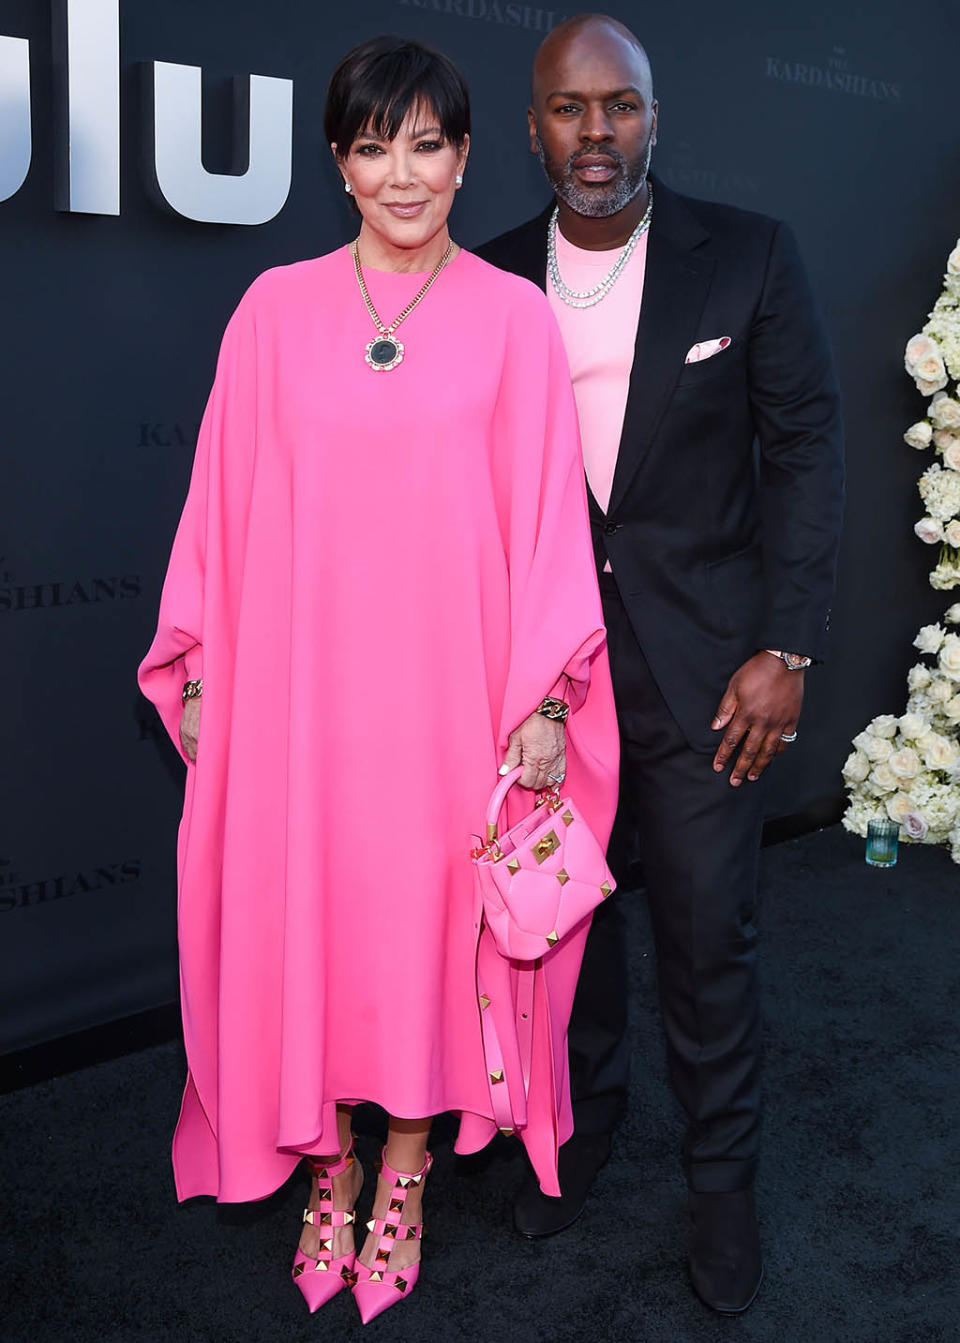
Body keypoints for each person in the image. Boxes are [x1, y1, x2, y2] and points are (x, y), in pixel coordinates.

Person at [138, 35, 618, 1324]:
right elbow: (219, 511)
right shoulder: (273, 310)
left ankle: (405, 1165)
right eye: (371, 145)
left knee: (417, 935)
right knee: (316, 926)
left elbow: (547, 527)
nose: (400, 173)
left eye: (426, 144)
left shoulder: (515, 317)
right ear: (339, 161)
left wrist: (542, 697)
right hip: (301, 701)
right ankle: (328, 1160)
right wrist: (197, 665)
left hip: (451, 698)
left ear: (465, 157)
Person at [477, 13, 844, 1315]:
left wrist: (787, 647)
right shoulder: (489, 281)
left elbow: (804, 459)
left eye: (618, 106)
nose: (595, 132)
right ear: (533, 131)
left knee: (709, 944)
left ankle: (723, 1186)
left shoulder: (746, 258)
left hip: (709, 680)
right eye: (568, 110)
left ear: (652, 118)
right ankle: (570, 1135)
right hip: (550, 686)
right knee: (560, 930)